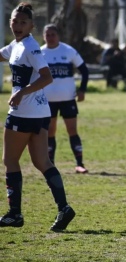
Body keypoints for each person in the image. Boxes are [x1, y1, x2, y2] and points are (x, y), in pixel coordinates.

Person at [0, 2, 75, 232]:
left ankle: (15, 214)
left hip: (24, 112)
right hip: (41, 112)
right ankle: (64, 208)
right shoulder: (16, 45)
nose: (18, 25)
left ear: (32, 26)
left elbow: (46, 77)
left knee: (10, 161)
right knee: (42, 162)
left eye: (23, 22)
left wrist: (21, 93)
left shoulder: (31, 48)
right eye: (15, 21)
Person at [41, 24, 89, 174]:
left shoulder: (68, 51)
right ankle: (50, 164)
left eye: (53, 34)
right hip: (48, 100)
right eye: (47, 35)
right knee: (50, 131)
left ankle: (79, 164)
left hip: (68, 99)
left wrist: (82, 90)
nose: (50, 37)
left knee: (72, 130)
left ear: (58, 35)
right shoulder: (40, 53)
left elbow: (84, 71)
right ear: (43, 36)